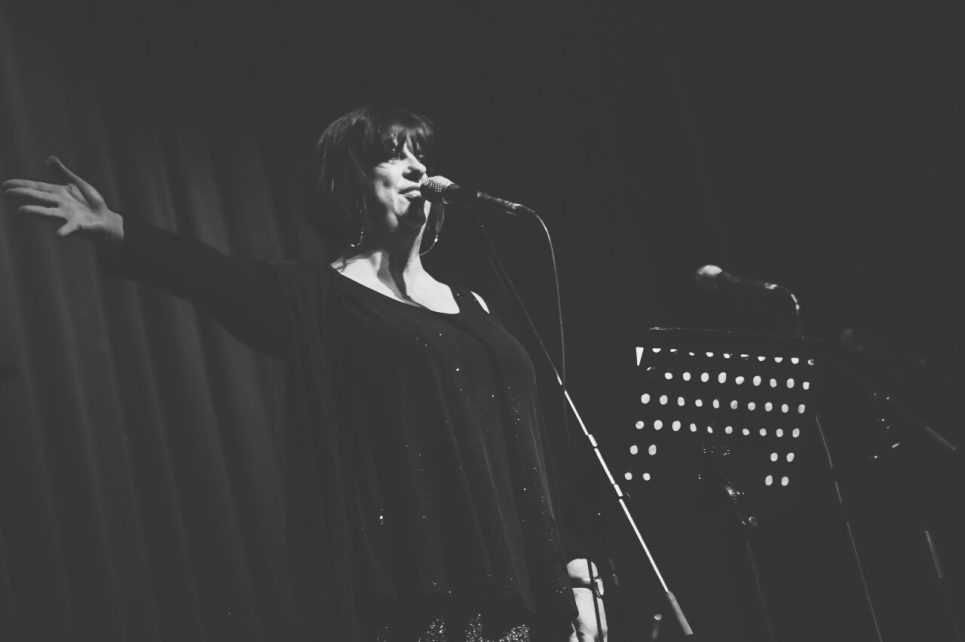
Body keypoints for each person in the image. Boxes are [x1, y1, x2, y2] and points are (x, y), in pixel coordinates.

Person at [2, 104, 607, 641]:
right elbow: (212, 275)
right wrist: (120, 231)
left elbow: (534, 443)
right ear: (349, 184)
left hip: (532, 590)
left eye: (421, 155)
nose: (417, 170)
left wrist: (575, 567)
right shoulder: (318, 298)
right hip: (430, 599)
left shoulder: (475, 305)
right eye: (393, 158)